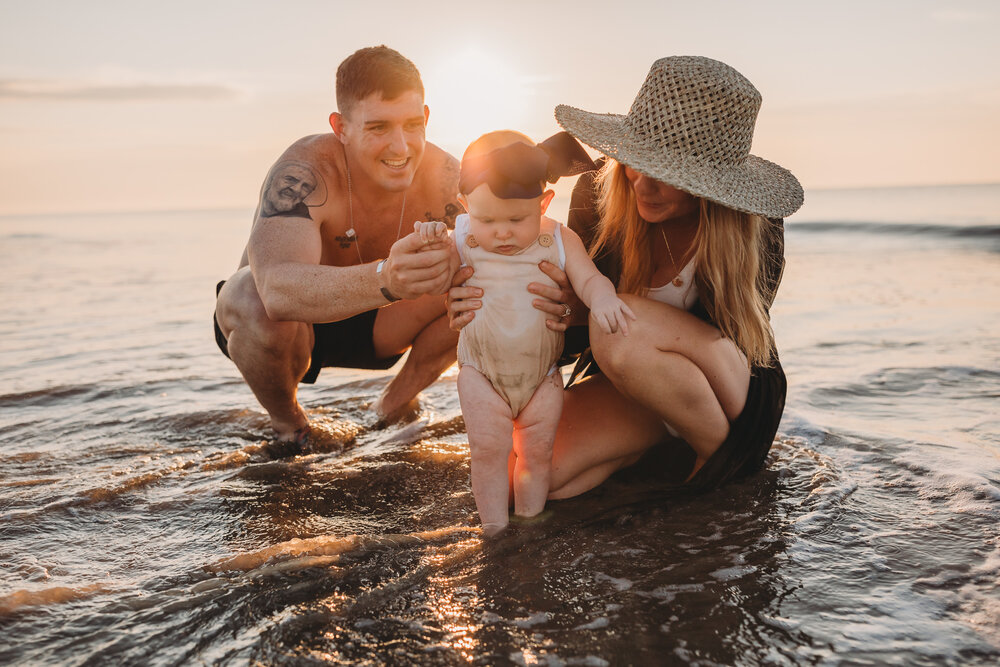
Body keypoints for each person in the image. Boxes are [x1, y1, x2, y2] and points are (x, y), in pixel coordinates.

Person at [447, 56, 803, 498]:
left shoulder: (754, 227)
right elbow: (575, 323)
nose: (641, 183)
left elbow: (741, 338)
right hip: (635, 387)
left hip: (726, 386)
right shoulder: (598, 197)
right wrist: (525, 303)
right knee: (525, 479)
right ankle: (653, 449)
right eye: (637, 161)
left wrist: (603, 313)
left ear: (711, 185)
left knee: (616, 325)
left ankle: (717, 463)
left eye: (668, 174)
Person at [213, 46, 462, 443]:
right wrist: (387, 278)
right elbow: (275, 291)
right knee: (247, 294)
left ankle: (390, 407)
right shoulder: (305, 171)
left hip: (383, 323)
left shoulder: (447, 176)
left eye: (412, 124)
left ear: (427, 117)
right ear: (340, 127)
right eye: (378, 128)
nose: (401, 147)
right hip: (292, 325)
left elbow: (513, 250)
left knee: (482, 275)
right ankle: (291, 428)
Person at [417, 130, 634, 534]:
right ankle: (494, 531)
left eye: (517, 219)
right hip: (482, 373)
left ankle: (531, 526)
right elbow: (433, 277)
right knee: (488, 454)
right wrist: (430, 241)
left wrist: (603, 300)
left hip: (542, 378)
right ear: (464, 208)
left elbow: (591, 280)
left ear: (544, 203)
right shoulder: (462, 237)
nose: (501, 232)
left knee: (537, 455)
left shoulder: (558, 238)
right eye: (486, 219)